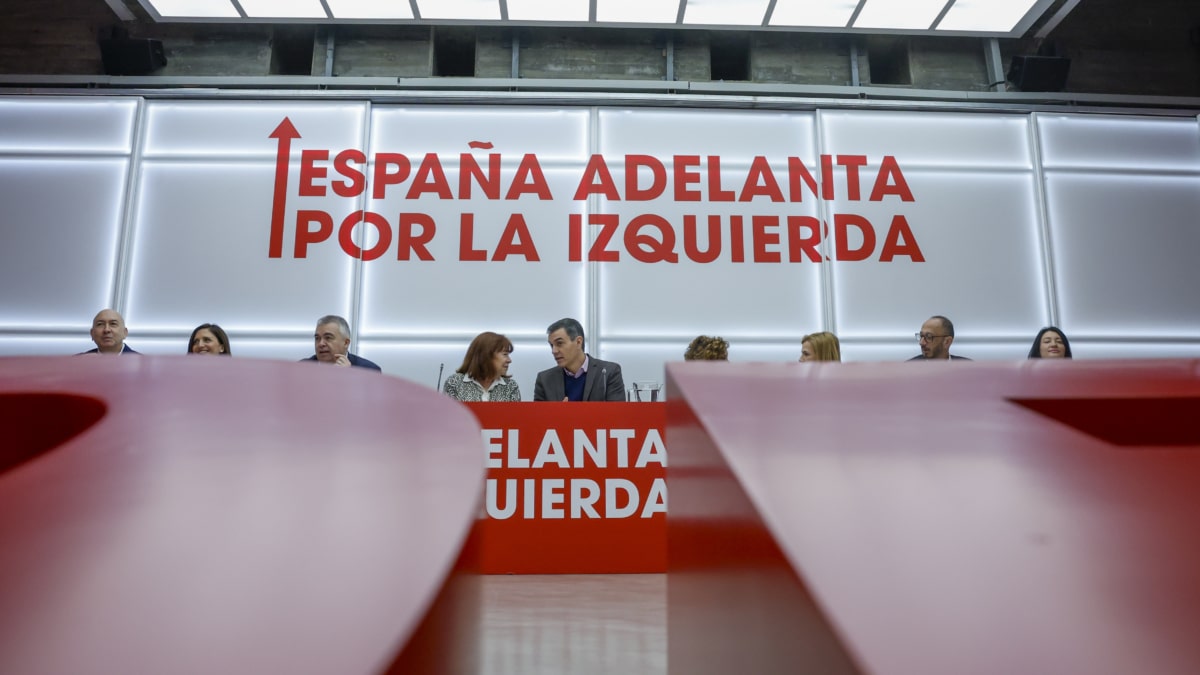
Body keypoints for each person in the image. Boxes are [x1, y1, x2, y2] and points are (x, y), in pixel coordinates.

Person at [533, 318, 624, 401]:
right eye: (551, 345)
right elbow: (538, 418)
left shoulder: (608, 373)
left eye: (559, 343)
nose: (554, 351)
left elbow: (618, 415)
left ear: (578, 342)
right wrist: (559, 414)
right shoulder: (545, 380)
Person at [442, 332, 521, 402]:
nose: (509, 360)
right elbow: (448, 416)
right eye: (505, 354)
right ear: (486, 356)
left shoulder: (510, 386)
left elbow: (515, 417)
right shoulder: (455, 383)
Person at [302, 315, 381, 371]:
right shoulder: (302, 368)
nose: (321, 344)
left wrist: (349, 376)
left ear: (346, 343)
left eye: (328, 338)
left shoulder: (369, 370)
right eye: (317, 338)